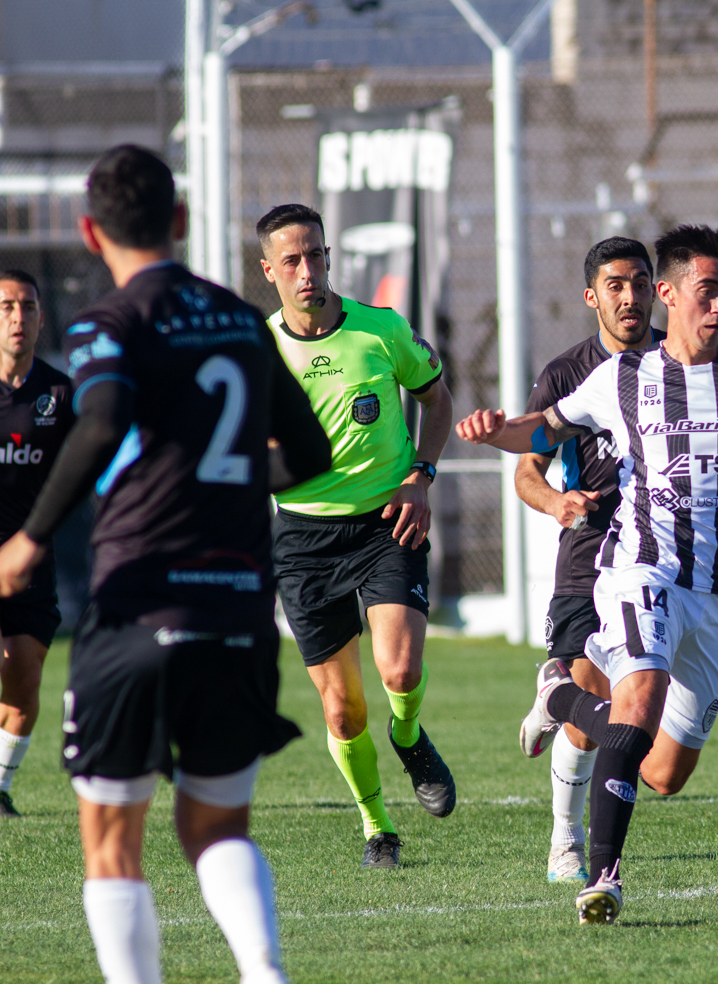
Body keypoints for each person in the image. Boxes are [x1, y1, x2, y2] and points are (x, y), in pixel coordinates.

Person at [457, 224, 718, 924]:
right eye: (707, 293)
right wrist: (493, 430)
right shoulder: (624, 377)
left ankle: (560, 697)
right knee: (637, 702)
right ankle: (604, 878)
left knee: (662, 773)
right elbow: (546, 430)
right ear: (671, 295)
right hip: (642, 570)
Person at [0, 145, 331, 984]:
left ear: (88, 231)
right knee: (217, 827)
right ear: (179, 222)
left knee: (112, 842)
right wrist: (218, 475)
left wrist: (30, 539)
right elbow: (312, 450)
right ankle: (263, 971)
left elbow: (103, 419)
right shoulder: (235, 318)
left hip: (137, 605)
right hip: (236, 609)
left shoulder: (110, 323)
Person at [256, 203, 456, 869]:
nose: (307, 270)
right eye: (292, 260)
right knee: (342, 714)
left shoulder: (380, 329)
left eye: (316, 255)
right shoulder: (257, 351)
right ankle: (378, 829)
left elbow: (436, 396)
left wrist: (421, 476)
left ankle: (409, 735)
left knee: (399, 669)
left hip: (386, 523)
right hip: (305, 541)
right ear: (269, 272)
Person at [517, 236, 662, 883]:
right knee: (593, 690)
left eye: (638, 283)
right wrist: (555, 502)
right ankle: (564, 841)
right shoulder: (566, 374)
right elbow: (526, 472)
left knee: (660, 759)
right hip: (587, 559)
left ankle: (555, 699)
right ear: (591, 296)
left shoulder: (675, 360)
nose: (628, 297)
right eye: (614, 285)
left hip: (662, 560)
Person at [0, 268, 75, 817]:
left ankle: (0, 786)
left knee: (23, 684)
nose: (17, 318)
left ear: (41, 317)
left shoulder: (60, 394)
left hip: (31, 564)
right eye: (5, 307)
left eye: (27, 307)